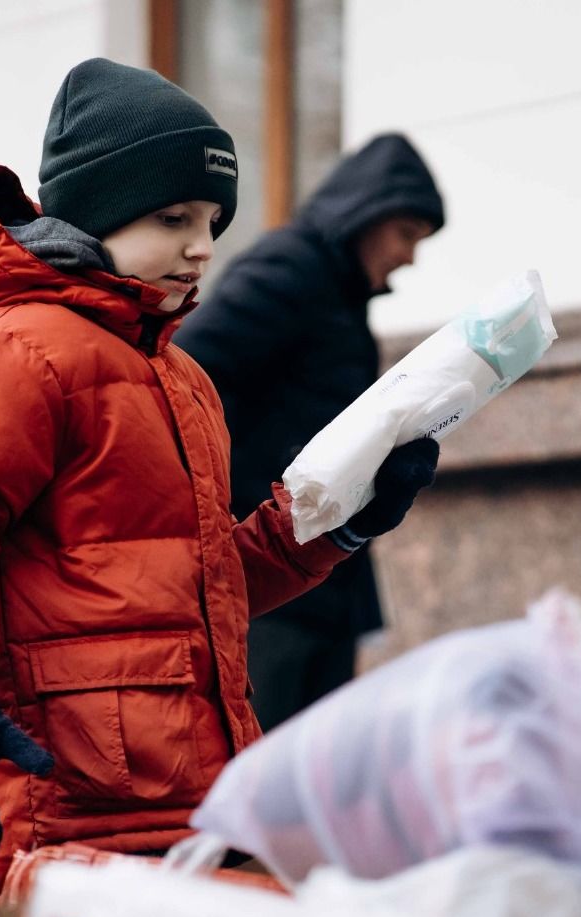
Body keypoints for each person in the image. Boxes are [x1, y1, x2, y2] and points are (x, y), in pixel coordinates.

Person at [0, 58, 440, 914]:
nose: (202, 244)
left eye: (213, 219)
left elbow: (203, 586)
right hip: (63, 806)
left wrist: (334, 523)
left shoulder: (177, 377)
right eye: (173, 216)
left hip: (195, 799)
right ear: (97, 208)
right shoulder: (16, 345)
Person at [178, 133, 444, 730]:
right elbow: (192, 380)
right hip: (270, 570)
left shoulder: (340, 295)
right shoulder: (291, 270)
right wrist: (269, 477)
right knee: (268, 773)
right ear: (366, 214)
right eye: (406, 234)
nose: (410, 256)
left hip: (319, 571)